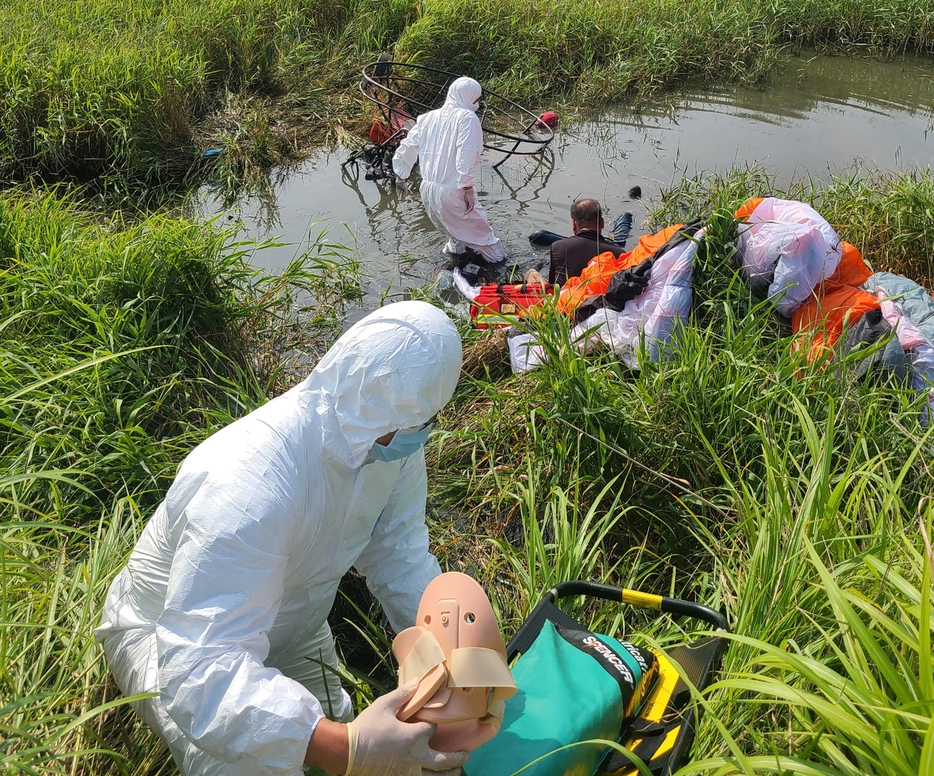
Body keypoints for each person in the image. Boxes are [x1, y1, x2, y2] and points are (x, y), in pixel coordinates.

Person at [96, 301, 468, 776]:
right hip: (168, 640)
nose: (420, 433)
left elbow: (400, 554)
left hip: (296, 627)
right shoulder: (249, 480)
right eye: (415, 421)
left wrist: (451, 653)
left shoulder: (390, 449)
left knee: (341, 722)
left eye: (425, 419)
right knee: (255, 765)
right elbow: (199, 666)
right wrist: (347, 749)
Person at [392, 77, 506, 264]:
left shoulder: (427, 118)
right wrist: (467, 188)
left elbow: (408, 146)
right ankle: (499, 267)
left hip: (428, 190)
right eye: (476, 99)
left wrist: (401, 176)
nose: (476, 104)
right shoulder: (467, 119)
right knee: (484, 237)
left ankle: (456, 261)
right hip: (454, 190)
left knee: (452, 232)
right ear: (468, 97)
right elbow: (466, 155)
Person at [548, 199, 627, 285]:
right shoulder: (619, 253)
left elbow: (551, 285)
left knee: (533, 272)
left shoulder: (558, 247)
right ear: (602, 223)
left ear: (574, 224)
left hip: (566, 297)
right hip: (598, 297)